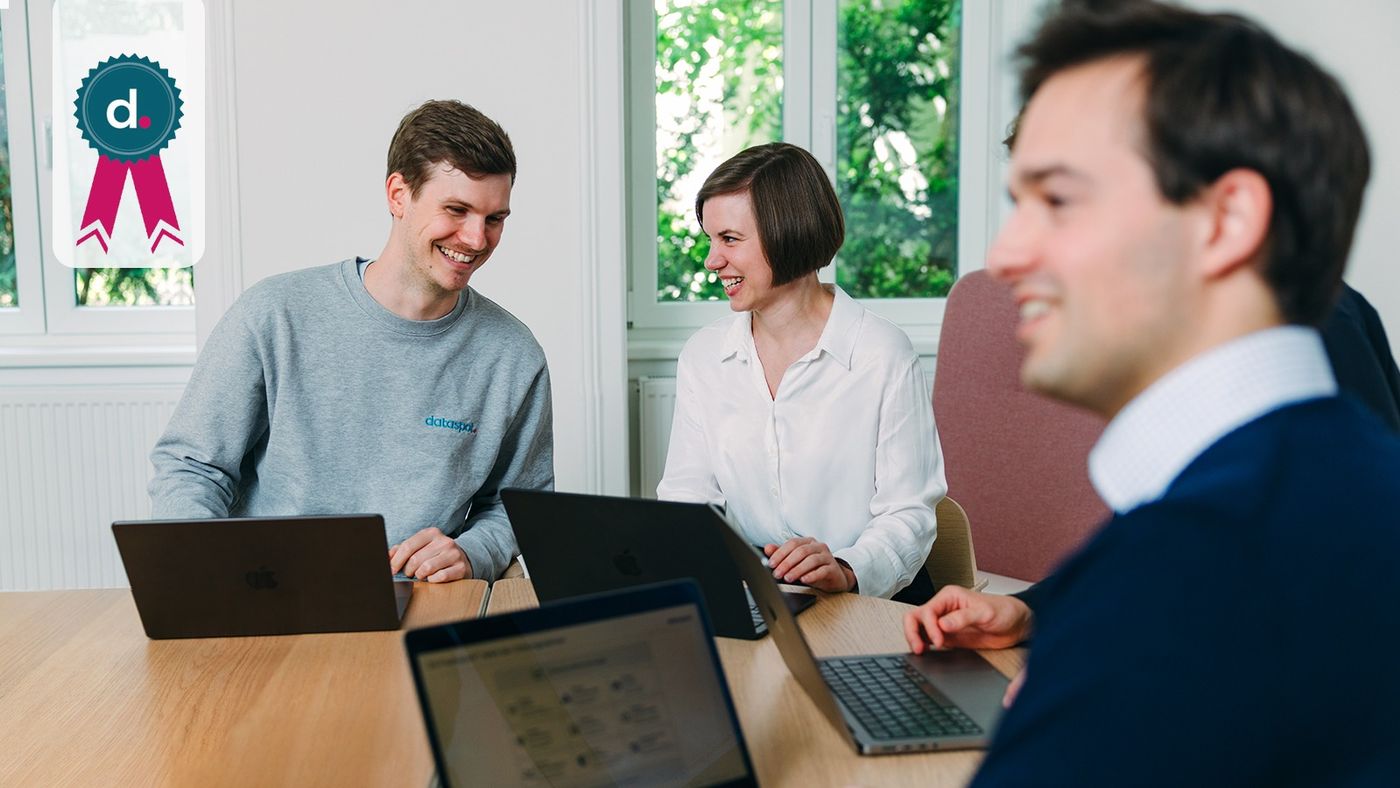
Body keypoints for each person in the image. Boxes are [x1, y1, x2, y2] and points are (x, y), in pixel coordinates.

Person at [903, 1, 1400, 784]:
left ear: (1226, 219)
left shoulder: (1174, 597)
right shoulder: (1324, 483)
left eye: (1058, 200)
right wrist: (1047, 612)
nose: (1006, 255)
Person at [149, 100, 553, 583]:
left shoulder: (513, 355)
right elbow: (191, 467)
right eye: (457, 210)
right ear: (398, 195)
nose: (476, 238)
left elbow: (520, 506)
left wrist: (471, 552)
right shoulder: (274, 314)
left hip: (423, 601)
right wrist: (215, 573)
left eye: (495, 219)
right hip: (275, 592)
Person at [657, 142, 946, 603]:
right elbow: (687, 501)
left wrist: (847, 568)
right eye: (710, 240)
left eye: (729, 239)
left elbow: (908, 514)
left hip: (868, 599)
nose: (712, 261)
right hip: (761, 594)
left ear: (787, 233)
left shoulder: (882, 354)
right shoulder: (704, 357)